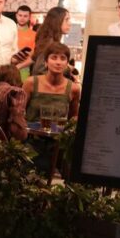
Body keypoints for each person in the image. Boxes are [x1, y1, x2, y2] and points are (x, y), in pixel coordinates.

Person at [23, 42, 81, 175]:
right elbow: (19, 111)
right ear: (45, 62)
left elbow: (73, 118)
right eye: (54, 57)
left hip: (58, 144)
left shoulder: (73, 88)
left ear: (67, 63)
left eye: (62, 58)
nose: (58, 62)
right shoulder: (31, 83)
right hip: (32, 141)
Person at [31, 6, 71, 76]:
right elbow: (39, 70)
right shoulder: (49, 43)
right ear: (57, 21)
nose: (69, 23)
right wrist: (66, 70)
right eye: (66, 20)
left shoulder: (52, 40)